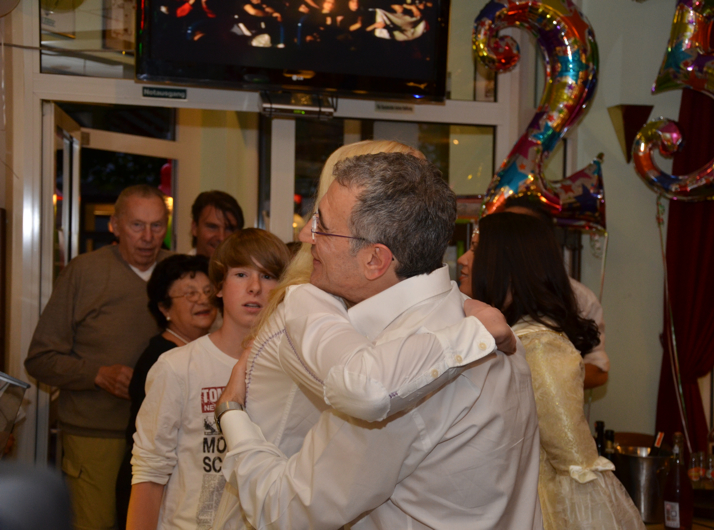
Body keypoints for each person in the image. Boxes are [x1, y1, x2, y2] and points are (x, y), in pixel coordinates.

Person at [216, 152, 542, 529]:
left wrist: (231, 415)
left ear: (375, 260)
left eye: (322, 226)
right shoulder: (477, 321)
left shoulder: (400, 374)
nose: (306, 236)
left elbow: (285, 509)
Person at [456, 211, 643, 530]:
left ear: (508, 266)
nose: (463, 259)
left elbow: (573, 460)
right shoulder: (507, 336)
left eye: (476, 248)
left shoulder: (539, 345)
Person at [25, 185, 170, 530]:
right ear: (115, 226)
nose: (148, 237)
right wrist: (98, 374)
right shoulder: (85, 272)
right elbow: (40, 358)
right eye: (137, 225)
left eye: (157, 226)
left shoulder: (177, 272)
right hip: (97, 435)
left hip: (164, 435)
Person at [128, 228, 291, 530]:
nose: (255, 287)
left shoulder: (293, 371)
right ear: (219, 287)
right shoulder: (178, 367)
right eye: (241, 274)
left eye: (268, 276)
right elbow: (149, 473)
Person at [116, 254, 218, 528]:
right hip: (154, 493)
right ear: (164, 308)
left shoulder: (205, 352)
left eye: (208, 291)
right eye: (190, 293)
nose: (203, 300)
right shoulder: (162, 360)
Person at [503, 196, 610, 389]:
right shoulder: (485, 289)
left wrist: (547, 379)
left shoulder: (578, 296)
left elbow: (598, 369)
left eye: (518, 231)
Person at [190, 191, 245, 258]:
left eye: (229, 229)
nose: (221, 238)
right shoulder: (179, 264)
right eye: (212, 227)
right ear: (194, 228)